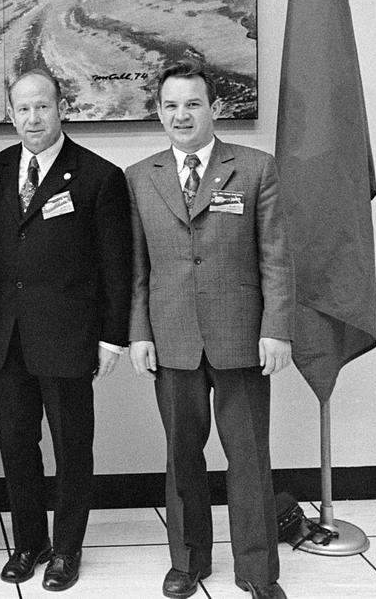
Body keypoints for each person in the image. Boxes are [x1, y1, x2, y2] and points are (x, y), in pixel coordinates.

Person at [127, 61, 295, 599]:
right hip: (170, 336)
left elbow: (276, 258)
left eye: (192, 104)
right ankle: (189, 562)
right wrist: (139, 333)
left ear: (213, 108)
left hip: (242, 337)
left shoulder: (254, 168)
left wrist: (278, 329)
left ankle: (257, 571)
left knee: (248, 458)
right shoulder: (139, 177)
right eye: (171, 105)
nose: (182, 115)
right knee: (181, 456)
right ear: (158, 112)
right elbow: (136, 269)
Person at [0, 70, 132, 592]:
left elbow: (117, 266)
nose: (32, 119)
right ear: (11, 112)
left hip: (69, 338)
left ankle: (67, 548)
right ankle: (30, 543)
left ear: (61, 108)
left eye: (42, 107)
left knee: (73, 447)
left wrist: (113, 337)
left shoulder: (97, 176)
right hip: (7, 340)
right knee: (15, 443)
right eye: (22, 109)